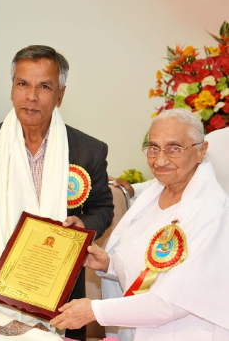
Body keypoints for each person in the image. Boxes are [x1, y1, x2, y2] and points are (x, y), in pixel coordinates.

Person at [0, 45, 113, 340]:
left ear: (60, 95)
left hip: (60, 299)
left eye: (44, 86)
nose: (31, 96)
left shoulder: (88, 150)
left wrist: (84, 227)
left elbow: (103, 207)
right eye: (22, 84)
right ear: (12, 88)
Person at [50, 109, 229, 340]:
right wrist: (110, 265)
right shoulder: (153, 195)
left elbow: (171, 302)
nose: (161, 160)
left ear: (201, 151)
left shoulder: (212, 212)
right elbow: (150, 270)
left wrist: (94, 310)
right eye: (153, 148)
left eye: (174, 148)